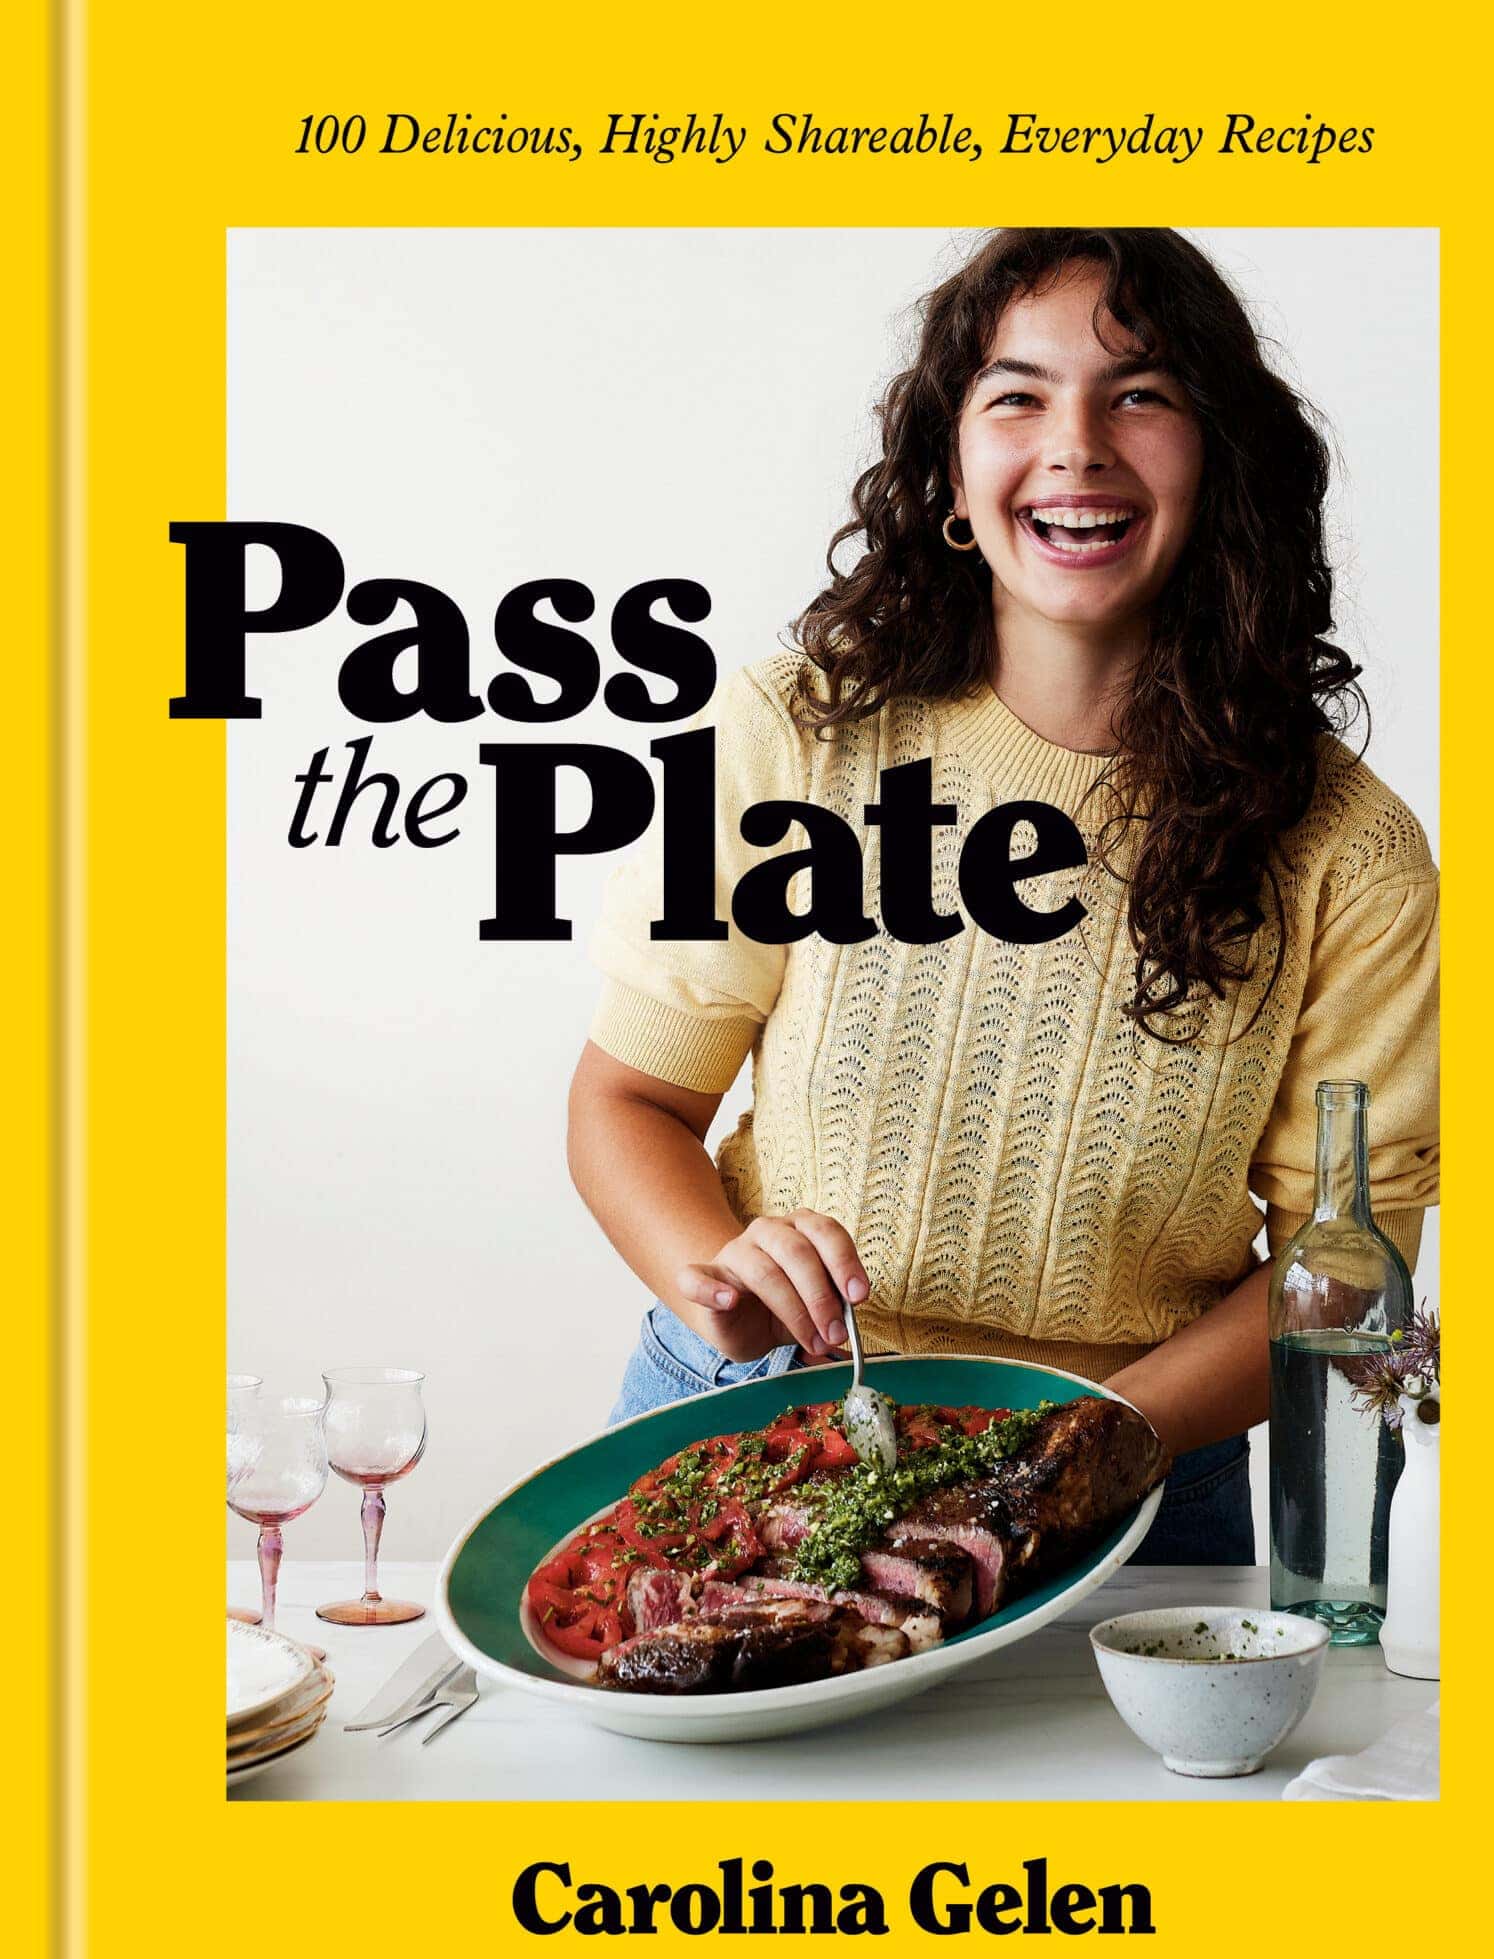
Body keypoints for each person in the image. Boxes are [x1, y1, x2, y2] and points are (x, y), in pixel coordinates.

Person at [566, 227, 1438, 1563]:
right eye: (1018, 395)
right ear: (954, 480)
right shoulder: (796, 733)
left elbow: (1345, 1279)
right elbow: (629, 1101)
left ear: (1219, 463)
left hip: (1130, 1478)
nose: (1077, 442)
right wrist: (716, 1276)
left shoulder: (1351, 855)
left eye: (1140, 394)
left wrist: (1067, 1454)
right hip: (753, 1413)